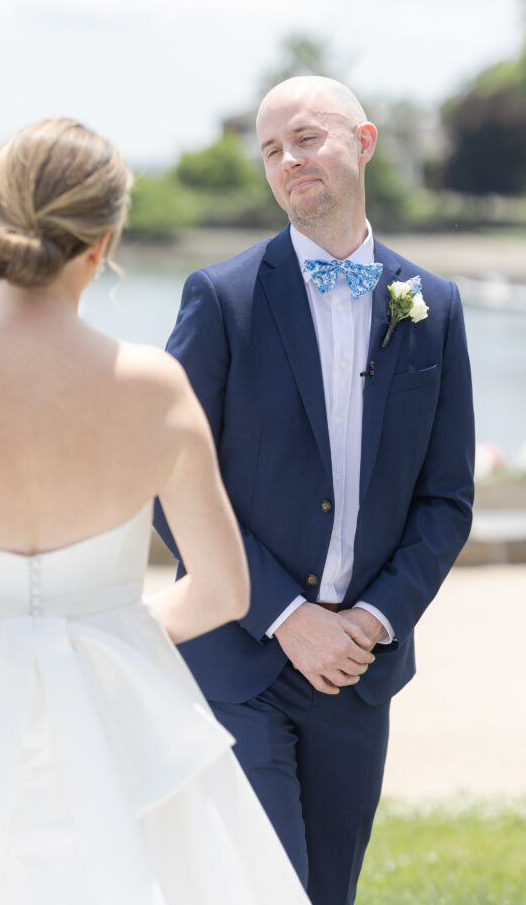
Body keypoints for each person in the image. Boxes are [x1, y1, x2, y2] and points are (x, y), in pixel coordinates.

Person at [0, 119, 309, 903]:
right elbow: (224, 592)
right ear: (104, 239)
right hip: (117, 713)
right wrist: (99, 627)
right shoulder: (153, 386)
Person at [155, 76, 475, 905]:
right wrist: (287, 618)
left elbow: (444, 501)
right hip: (239, 658)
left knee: (329, 890)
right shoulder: (219, 300)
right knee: (264, 889)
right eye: (270, 150)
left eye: (305, 138)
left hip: (356, 673)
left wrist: (367, 623)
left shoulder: (430, 307)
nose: (287, 161)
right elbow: (168, 483)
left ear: (363, 143)